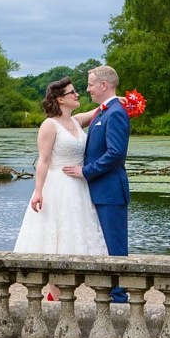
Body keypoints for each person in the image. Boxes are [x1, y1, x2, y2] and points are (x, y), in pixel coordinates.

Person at [13, 77, 108, 297]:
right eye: (72, 92)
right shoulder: (49, 125)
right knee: (55, 240)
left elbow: (100, 110)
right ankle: (53, 294)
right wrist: (38, 191)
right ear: (60, 99)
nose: (77, 95)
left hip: (78, 187)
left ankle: (63, 293)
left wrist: (120, 100)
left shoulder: (76, 121)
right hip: (57, 187)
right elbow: (43, 160)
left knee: (75, 239)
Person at [63, 65, 130, 303]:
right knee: (103, 247)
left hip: (111, 192)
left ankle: (120, 297)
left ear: (104, 85)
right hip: (98, 191)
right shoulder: (104, 111)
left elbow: (115, 154)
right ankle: (111, 292)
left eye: (91, 84)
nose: (88, 89)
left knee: (115, 247)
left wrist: (85, 171)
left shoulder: (116, 113)